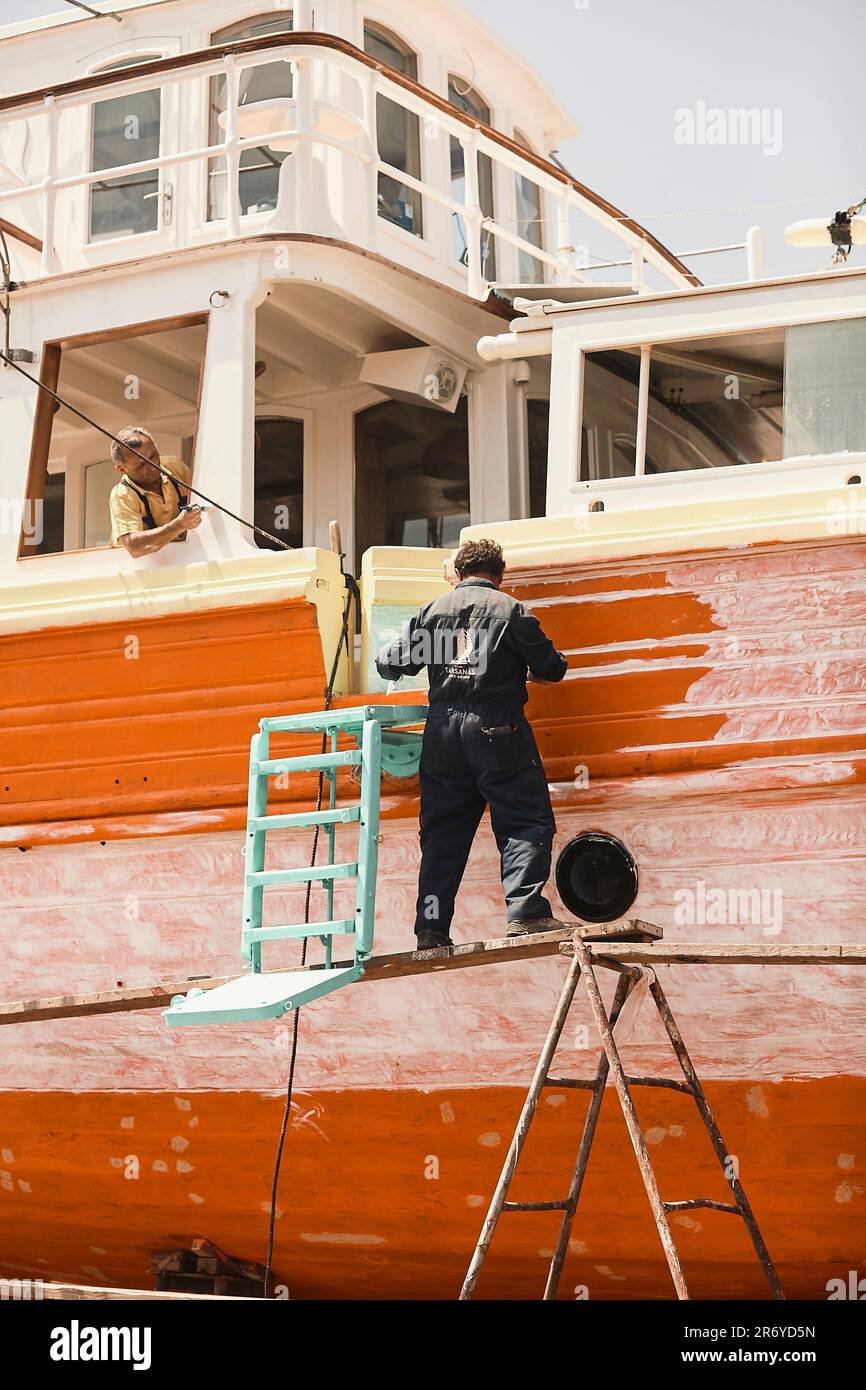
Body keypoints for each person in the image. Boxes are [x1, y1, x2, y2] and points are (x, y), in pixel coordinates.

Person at [375, 537, 568, 951]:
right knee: (523, 821)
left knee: (443, 834)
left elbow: (391, 663)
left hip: (443, 734)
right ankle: (526, 914)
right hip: (497, 729)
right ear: (499, 575)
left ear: (459, 574)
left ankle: (430, 926)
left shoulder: (433, 611)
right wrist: (519, 671)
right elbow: (553, 669)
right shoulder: (511, 611)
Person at [108, 426, 204, 555]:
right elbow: (134, 547)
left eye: (153, 456)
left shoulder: (174, 466)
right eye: (141, 464)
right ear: (121, 469)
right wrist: (179, 525)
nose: (152, 466)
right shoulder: (122, 495)